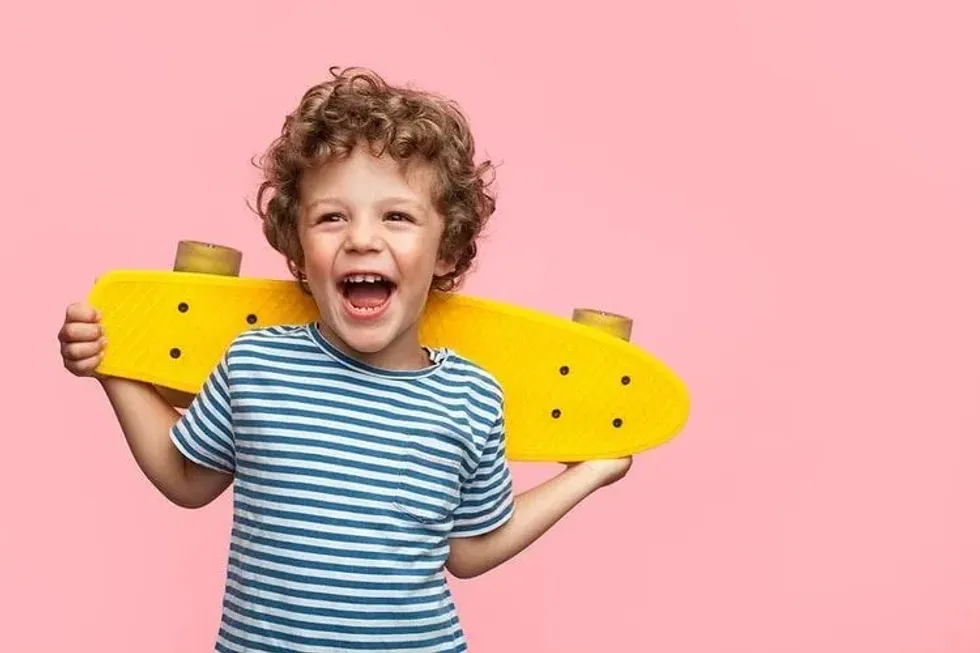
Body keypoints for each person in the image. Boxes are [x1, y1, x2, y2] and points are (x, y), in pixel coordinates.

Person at [58, 66, 632, 652]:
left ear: (447, 249)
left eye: (397, 216)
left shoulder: (472, 397)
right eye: (332, 216)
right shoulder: (257, 365)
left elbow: (467, 550)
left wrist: (589, 473)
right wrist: (111, 366)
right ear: (298, 249)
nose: (361, 239)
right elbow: (186, 479)